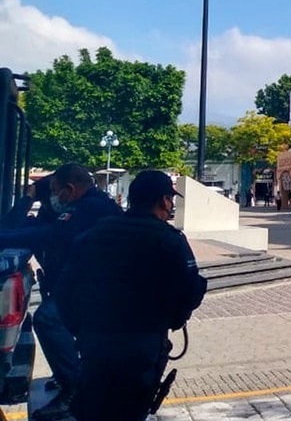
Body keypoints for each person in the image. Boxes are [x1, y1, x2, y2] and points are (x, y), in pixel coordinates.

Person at [57, 170, 207, 421]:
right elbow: (190, 291)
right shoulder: (170, 240)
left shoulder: (94, 235)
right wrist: (173, 319)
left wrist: (80, 330)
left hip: (94, 342)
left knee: (94, 409)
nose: (170, 206)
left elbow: (64, 290)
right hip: (142, 346)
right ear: (163, 201)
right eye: (170, 200)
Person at [0, 164, 121, 420]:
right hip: (81, 288)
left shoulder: (92, 207)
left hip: (100, 292)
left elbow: (46, 235)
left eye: (55, 192)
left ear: (70, 189)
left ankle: (75, 392)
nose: (53, 198)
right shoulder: (69, 207)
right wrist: (29, 198)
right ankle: (71, 379)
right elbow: (17, 225)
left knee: (48, 319)